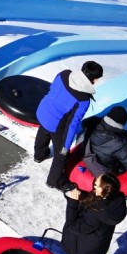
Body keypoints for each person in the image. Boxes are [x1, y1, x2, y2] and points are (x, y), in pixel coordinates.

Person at [33, 61, 103, 190]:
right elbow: (72, 124)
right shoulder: (83, 99)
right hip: (57, 124)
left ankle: (39, 155)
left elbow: (52, 89)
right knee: (61, 156)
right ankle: (54, 181)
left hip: (43, 112)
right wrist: (66, 147)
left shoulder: (63, 74)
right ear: (95, 79)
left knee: (43, 132)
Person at [61, 174, 127, 254]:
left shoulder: (96, 213)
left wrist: (73, 203)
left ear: (104, 190)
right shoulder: (116, 198)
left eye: (96, 185)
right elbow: (94, 203)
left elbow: (73, 226)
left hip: (85, 250)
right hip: (96, 246)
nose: (94, 185)